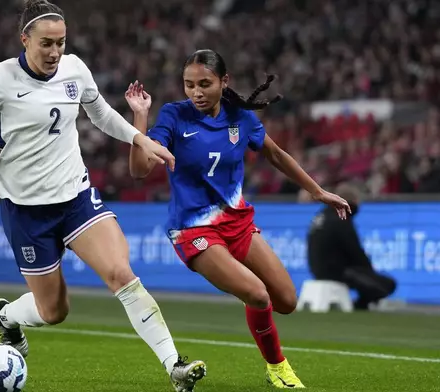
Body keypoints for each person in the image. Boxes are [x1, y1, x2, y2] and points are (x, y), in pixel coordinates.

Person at [0, 1, 205, 391]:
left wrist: (141, 138)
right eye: (46, 44)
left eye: (61, 42)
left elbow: (102, 114)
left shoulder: (74, 69)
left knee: (120, 273)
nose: (55, 52)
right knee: (54, 311)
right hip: (26, 211)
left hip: (75, 197)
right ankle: (7, 316)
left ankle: (174, 365)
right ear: (25, 40)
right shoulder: (1, 78)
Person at [126, 49, 351, 389]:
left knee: (286, 301)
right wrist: (140, 119)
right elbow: (138, 170)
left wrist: (318, 192)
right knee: (258, 295)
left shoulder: (240, 118)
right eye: (189, 85)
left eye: (204, 84)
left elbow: (275, 153)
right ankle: (277, 367)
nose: (196, 92)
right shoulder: (174, 116)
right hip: (193, 229)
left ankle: (262, 331)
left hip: (238, 223)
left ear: (224, 81)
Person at [307, 183, 396, 310]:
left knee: (366, 278)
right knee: (387, 284)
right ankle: (361, 304)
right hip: (337, 271)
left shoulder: (321, 216)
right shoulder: (341, 219)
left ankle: (362, 302)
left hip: (317, 269)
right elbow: (355, 251)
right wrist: (369, 271)